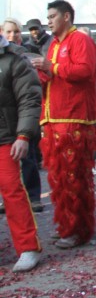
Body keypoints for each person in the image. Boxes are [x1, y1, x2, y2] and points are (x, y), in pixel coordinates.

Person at [29, 0, 96, 249]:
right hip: (53, 119)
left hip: (73, 119)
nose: (48, 21)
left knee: (73, 177)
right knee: (59, 179)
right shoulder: (54, 44)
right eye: (48, 17)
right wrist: (38, 73)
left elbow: (85, 71)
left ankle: (77, 230)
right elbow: (52, 76)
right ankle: (67, 226)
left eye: (52, 16)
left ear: (66, 16)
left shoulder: (80, 40)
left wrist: (52, 67)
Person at [0, 25, 43, 272]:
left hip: (6, 137)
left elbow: (29, 98)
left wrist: (23, 135)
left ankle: (28, 247)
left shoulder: (14, 59)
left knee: (12, 190)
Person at [3, 18, 44, 212]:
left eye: (16, 31)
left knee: (28, 159)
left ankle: (34, 196)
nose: (12, 35)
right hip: (5, 122)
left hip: (22, 118)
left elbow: (31, 92)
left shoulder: (27, 53)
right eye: (8, 32)